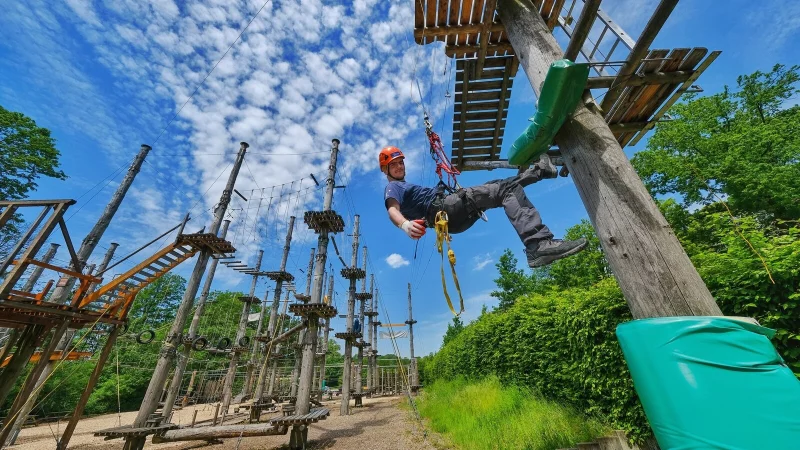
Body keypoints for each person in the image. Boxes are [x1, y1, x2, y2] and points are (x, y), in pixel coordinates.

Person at [380, 146, 587, 268]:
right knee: (503, 189)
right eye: (394, 164)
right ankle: (538, 245)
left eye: (401, 162)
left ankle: (542, 171)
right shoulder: (393, 187)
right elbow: (392, 210)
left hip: (451, 220)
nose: (399, 166)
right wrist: (405, 225)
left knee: (499, 188)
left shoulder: (403, 186)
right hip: (447, 209)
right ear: (386, 169)